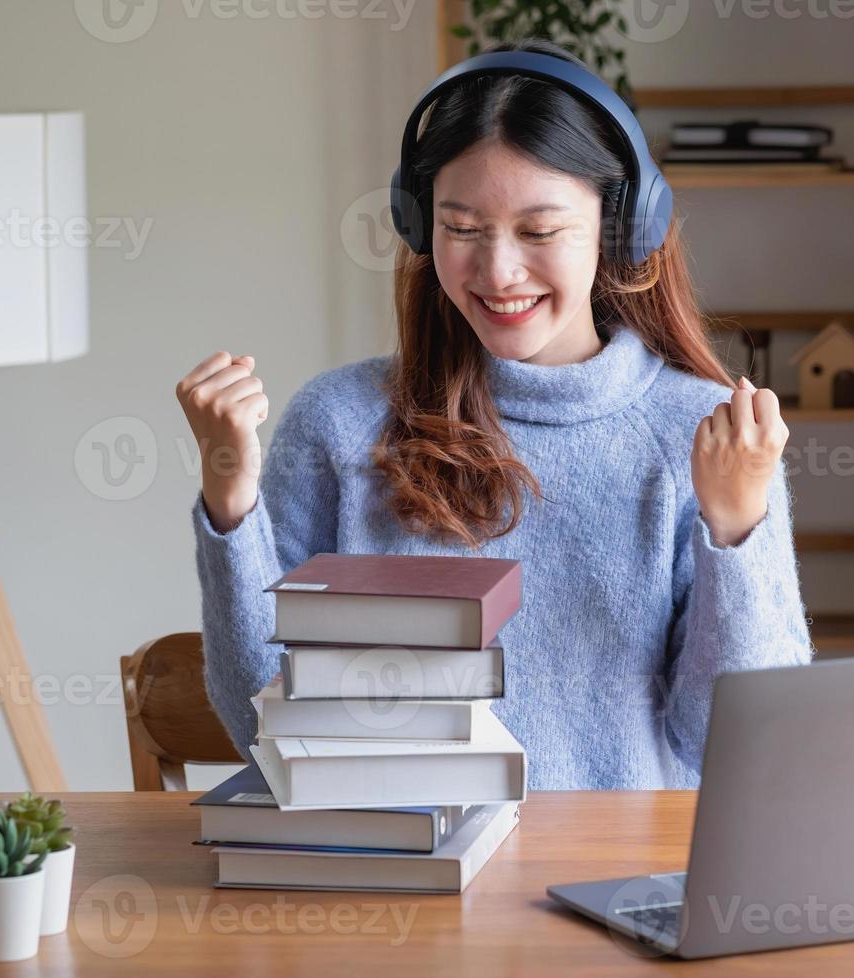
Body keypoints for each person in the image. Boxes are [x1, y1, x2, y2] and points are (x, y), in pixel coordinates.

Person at [177, 38, 812, 790]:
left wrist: (736, 531)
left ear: (620, 228)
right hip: (402, 882)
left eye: (539, 232)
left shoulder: (699, 433)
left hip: (612, 887)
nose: (498, 271)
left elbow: (738, 747)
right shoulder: (339, 423)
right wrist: (230, 503)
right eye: (462, 229)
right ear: (421, 227)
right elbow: (262, 727)